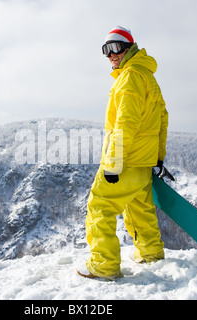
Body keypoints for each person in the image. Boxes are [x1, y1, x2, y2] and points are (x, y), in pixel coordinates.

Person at [77, 26, 169, 280]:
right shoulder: (147, 76)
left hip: (125, 160)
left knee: (100, 205)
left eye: (116, 47)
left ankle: (103, 266)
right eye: (106, 50)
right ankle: (150, 254)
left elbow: (125, 123)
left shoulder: (130, 76)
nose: (111, 54)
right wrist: (158, 157)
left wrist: (113, 162)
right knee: (139, 208)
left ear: (129, 47)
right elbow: (162, 119)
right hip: (142, 161)